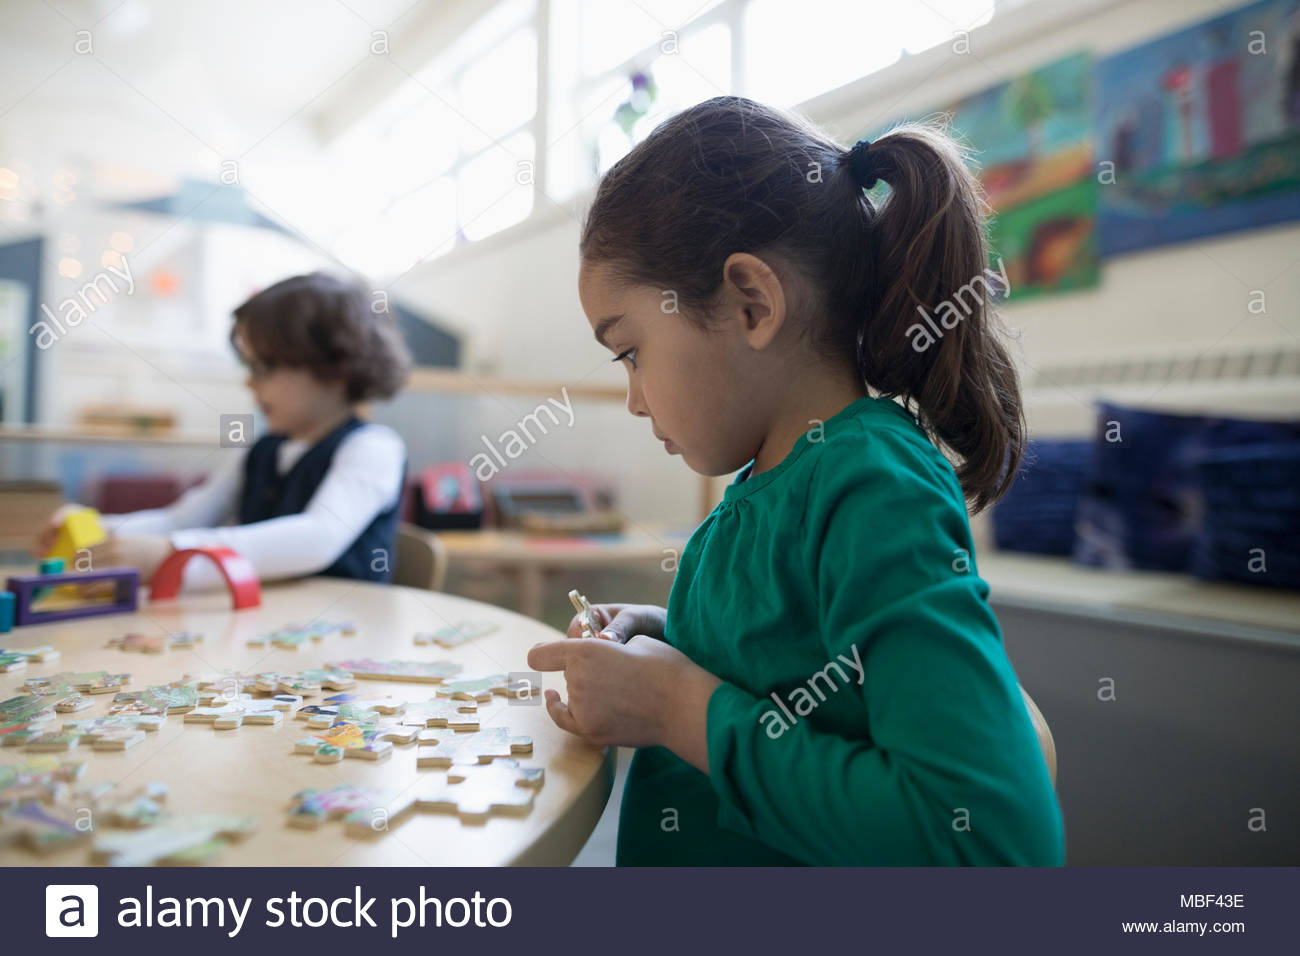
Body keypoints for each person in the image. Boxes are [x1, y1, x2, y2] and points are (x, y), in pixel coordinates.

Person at [528, 97, 1065, 865]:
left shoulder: (874, 484)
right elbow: (798, 673)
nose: (635, 397)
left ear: (752, 303)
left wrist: (677, 705)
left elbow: (990, 838)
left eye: (631, 351)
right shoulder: (765, 483)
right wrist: (669, 638)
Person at [34, 272, 411, 590]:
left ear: (335, 369)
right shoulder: (261, 450)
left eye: (264, 368)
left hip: (350, 647)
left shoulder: (373, 449)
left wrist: (174, 555)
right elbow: (182, 520)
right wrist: (102, 530)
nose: (249, 384)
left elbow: (317, 536)